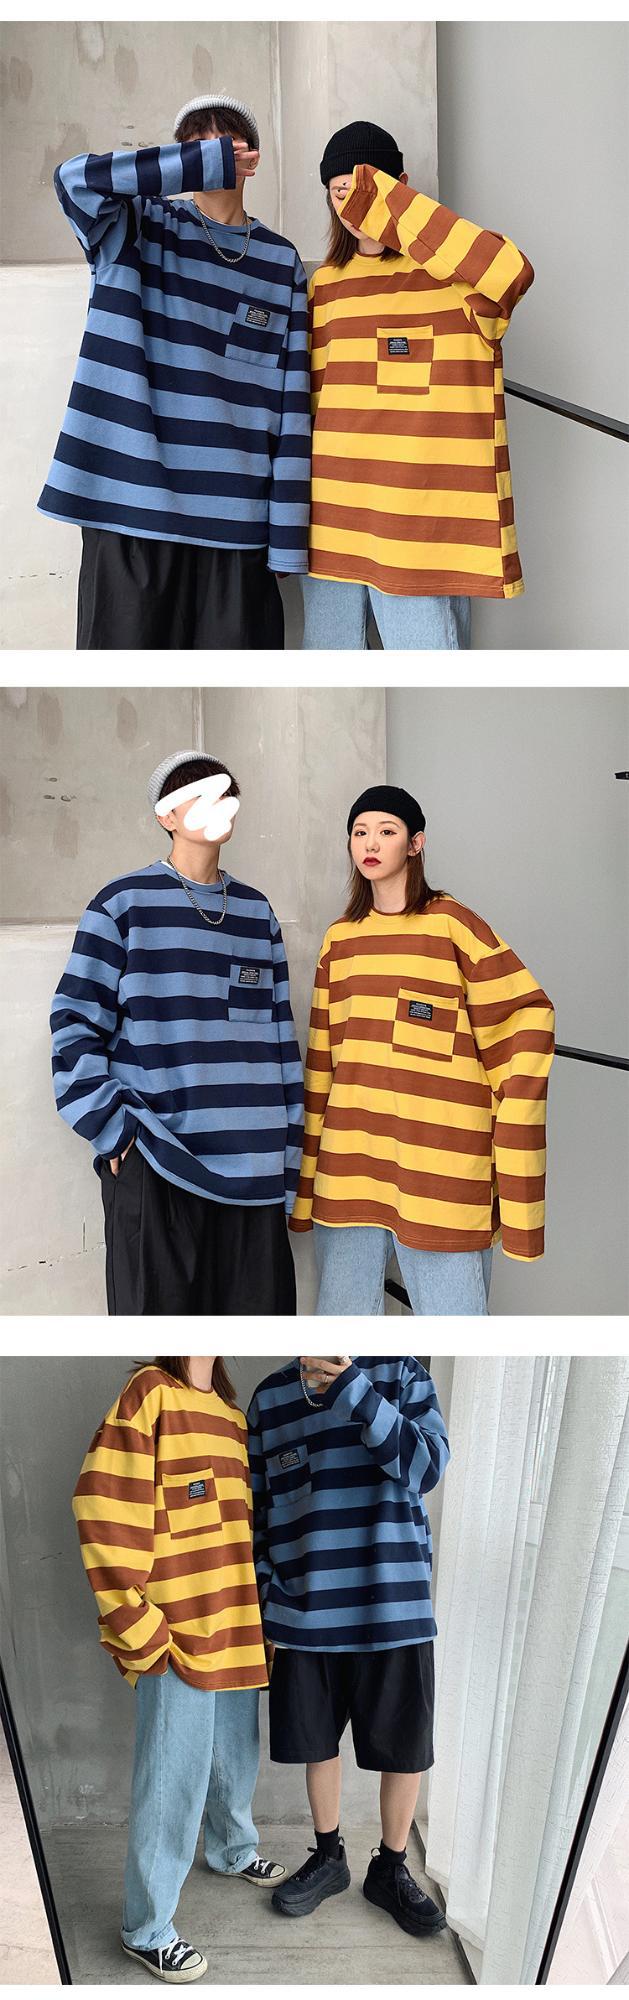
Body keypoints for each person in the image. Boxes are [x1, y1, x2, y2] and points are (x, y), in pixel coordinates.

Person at [38, 93, 310, 649]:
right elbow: (72, 180)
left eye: (223, 142)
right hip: (130, 510)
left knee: (243, 675)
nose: (211, 155)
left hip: (237, 525)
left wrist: (287, 541)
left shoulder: (281, 262)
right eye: (196, 147)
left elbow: (293, 409)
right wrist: (201, 164)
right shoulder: (135, 225)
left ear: (251, 156)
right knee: (122, 673)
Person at [50, 750, 304, 1314]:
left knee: (252, 1338)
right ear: (166, 816)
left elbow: (280, 1042)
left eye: (225, 794)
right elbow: (74, 1021)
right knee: (160, 1343)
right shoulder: (122, 905)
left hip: (255, 1171)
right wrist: (115, 1129)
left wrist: (291, 1165)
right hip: (158, 1160)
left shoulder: (256, 913)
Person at [289, 784, 554, 1313]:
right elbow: (322, 1065)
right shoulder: (340, 940)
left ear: (415, 843)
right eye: (359, 832)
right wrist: (308, 1178)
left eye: (386, 831)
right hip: (351, 1164)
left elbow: (526, 1016)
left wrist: (509, 1121)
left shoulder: (452, 925)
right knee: (340, 1330)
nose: (370, 843)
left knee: (456, 1328)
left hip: (442, 1170)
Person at [72, 1355, 284, 1983]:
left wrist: (261, 1620)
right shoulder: (151, 1394)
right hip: (178, 1635)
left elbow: (246, 1533)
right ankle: (146, 1928)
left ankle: (232, 1850)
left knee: (234, 1757)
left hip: (236, 1625)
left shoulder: (232, 1417)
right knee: (171, 1783)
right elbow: (102, 1501)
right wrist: (139, 1626)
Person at [303, 120, 533, 650]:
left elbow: (513, 271)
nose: (354, 206)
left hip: (422, 533)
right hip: (331, 525)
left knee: (429, 676)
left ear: (402, 190)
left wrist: (396, 209)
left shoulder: (456, 281)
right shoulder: (323, 287)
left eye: (371, 190)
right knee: (328, 678)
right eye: (341, 191)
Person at [247, 1353, 450, 1938]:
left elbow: (427, 1467)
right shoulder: (270, 1399)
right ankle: (329, 1855)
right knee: (317, 1743)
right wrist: (267, 1600)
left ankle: (390, 1867)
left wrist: (357, 1394)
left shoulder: (401, 1374)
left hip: (395, 1606)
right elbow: (259, 1512)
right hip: (304, 1612)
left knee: (405, 1749)